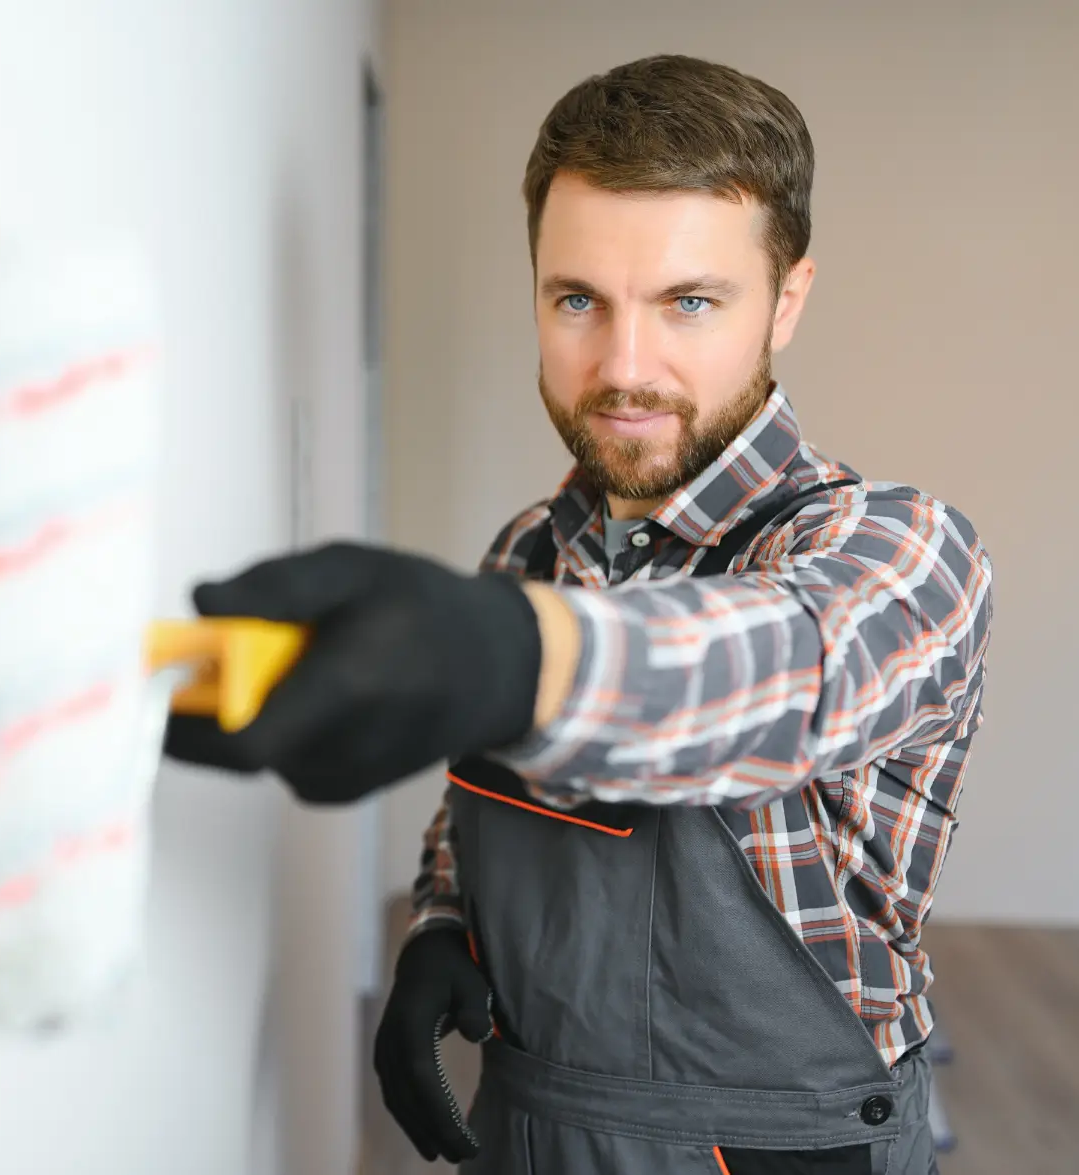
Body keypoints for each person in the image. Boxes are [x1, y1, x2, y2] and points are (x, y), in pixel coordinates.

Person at [163, 54, 992, 1175]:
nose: (623, 364)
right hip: (528, 1126)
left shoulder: (896, 548)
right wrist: (438, 928)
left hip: (779, 1150)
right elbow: (475, 807)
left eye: (688, 301)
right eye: (575, 301)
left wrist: (509, 651)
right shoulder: (525, 551)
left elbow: (781, 674)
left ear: (785, 300)